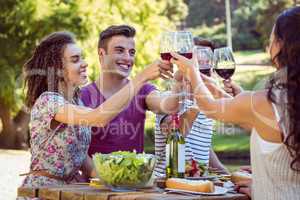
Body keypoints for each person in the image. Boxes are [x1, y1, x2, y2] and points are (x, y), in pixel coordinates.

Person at [170, 6, 300, 199]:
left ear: (282, 45)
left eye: (271, 40)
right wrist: (261, 184)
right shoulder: (289, 101)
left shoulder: (264, 101)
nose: (268, 46)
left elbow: (212, 108)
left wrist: (192, 72)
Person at [21, 31, 171, 187]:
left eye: (82, 57)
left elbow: (88, 166)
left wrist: (134, 182)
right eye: (75, 60)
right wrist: (142, 77)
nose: (84, 63)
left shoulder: (76, 103)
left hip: (70, 191)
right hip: (43, 191)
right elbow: (98, 117)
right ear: (57, 68)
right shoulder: (48, 102)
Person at [80, 25, 180, 156]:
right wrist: (143, 75)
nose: (128, 58)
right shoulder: (82, 96)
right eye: (120, 51)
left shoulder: (144, 90)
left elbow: (169, 106)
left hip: (136, 176)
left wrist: (180, 80)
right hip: (95, 176)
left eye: (132, 52)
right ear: (101, 54)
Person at [154, 38, 229, 177]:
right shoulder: (169, 99)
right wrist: (199, 102)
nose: (199, 75)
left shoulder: (208, 105)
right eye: (194, 67)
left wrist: (228, 176)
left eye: (205, 70)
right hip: (166, 187)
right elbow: (174, 133)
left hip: (197, 184)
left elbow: (203, 148)